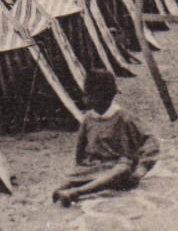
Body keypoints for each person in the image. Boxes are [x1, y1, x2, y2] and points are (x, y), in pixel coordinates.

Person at [52, 69, 159, 206]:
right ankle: (68, 189)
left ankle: (77, 192)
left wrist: (141, 169)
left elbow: (150, 142)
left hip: (118, 164)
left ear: (105, 97)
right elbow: (80, 149)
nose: (86, 99)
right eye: (86, 95)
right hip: (94, 166)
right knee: (72, 177)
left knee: (121, 171)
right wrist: (80, 167)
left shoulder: (124, 117)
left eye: (90, 95)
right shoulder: (88, 119)